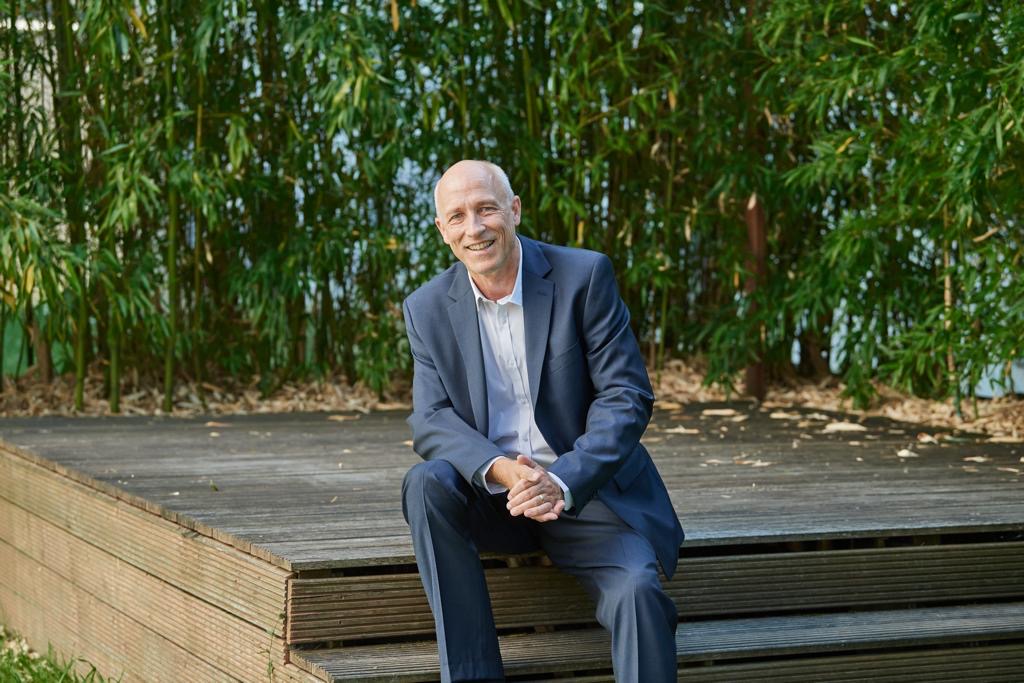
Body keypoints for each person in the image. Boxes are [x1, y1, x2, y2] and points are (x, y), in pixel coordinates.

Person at [401, 159, 684, 683]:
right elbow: (432, 418)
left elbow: (625, 396)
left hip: (585, 491)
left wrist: (561, 480)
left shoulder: (583, 276)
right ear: (442, 230)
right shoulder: (427, 307)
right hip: (497, 499)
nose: (475, 228)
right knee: (426, 483)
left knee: (638, 591)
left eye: (486, 209)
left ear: (514, 210)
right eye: (457, 216)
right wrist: (503, 470)